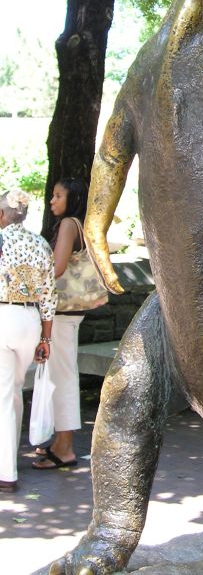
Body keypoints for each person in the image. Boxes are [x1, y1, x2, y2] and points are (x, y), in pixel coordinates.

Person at [0, 189, 57, 492]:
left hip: (2, 316)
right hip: (30, 322)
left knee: (4, 395)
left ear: (1, 214)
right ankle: (7, 459)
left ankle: (6, 473)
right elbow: (49, 296)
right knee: (13, 392)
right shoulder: (41, 244)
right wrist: (46, 338)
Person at [32, 177, 89, 471]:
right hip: (65, 313)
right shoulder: (74, 224)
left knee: (63, 377)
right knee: (59, 375)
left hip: (62, 314)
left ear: (72, 200)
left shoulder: (68, 224)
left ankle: (65, 447)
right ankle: (58, 440)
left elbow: (57, 268)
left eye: (57, 196)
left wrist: (25, 278)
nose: (51, 200)